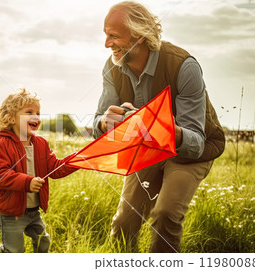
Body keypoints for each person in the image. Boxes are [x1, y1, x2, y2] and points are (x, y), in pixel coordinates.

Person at [93, 1, 225, 252]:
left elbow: (196, 142)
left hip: (189, 152)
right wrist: (103, 122)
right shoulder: (112, 67)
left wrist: (161, 127)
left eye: (114, 36)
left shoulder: (184, 66)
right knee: (123, 221)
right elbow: (99, 119)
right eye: (106, 35)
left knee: (165, 214)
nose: (107, 44)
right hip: (146, 149)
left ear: (140, 36)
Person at [0, 88, 77, 253]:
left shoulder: (41, 144)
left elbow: (55, 169)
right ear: (11, 118)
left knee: (43, 241)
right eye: (29, 112)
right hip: (12, 212)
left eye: (38, 112)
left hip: (34, 210)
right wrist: (27, 182)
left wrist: (76, 160)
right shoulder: (3, 145)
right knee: (14, 250)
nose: (36, 116)